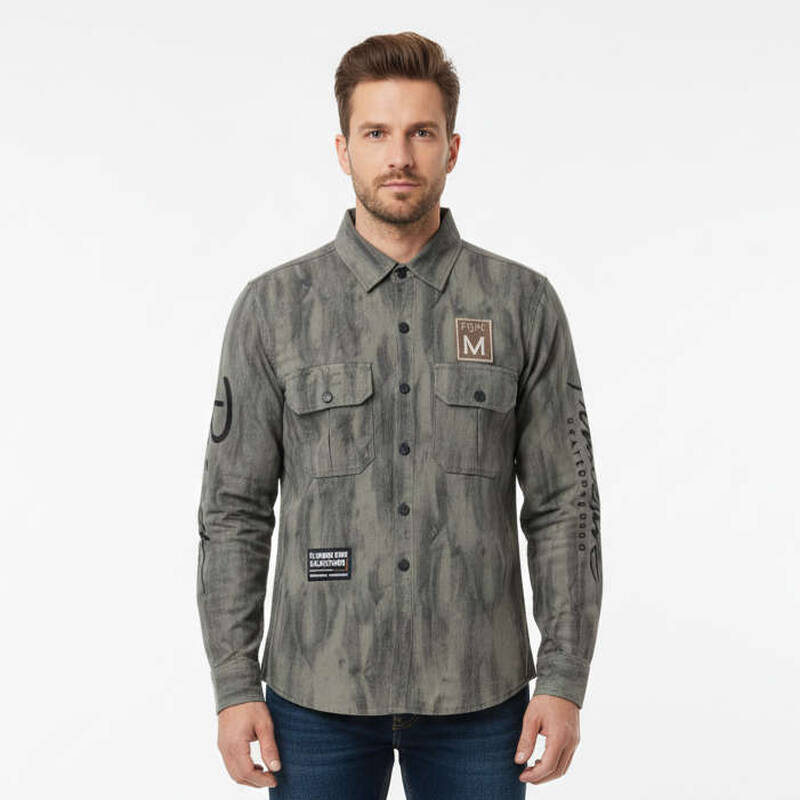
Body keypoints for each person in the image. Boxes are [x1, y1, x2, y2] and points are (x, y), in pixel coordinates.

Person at [196, 30, 603, 799]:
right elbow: (233, 509)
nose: (399, 157)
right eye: (376, 133)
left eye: (420, 133)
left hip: (481, 699)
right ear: (342, 149)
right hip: (311, 697)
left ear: (453, 148)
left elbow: (564, 504)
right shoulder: (273, 309)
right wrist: (234, 684)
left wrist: (564, 677)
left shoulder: (523, 305)